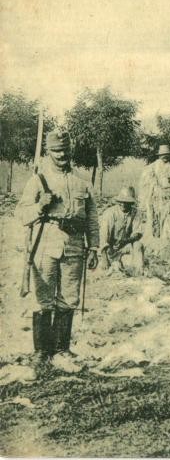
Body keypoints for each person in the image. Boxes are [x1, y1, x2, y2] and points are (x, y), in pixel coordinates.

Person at [15, 130, 99, 373]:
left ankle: (62, 349)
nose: (62, 155)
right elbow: (21, 214)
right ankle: (42, 351)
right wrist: (40, 206)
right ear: (48, 152)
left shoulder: (82, 181)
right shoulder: (38, 180)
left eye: (65, 150)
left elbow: (92, 218)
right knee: (43, 299)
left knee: (69, 298)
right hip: (45, 244)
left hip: (74, 245)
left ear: (71, 151)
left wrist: (94, 246)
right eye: (56, 151)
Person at [99, 186, 144, 275]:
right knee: (108, 268)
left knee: (138, 245)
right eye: (121, 202)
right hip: (110, 248)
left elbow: (137, 233)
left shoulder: (135, 213)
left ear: (131, 203)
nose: (123, 204)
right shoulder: (110, 213)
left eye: (126, 202)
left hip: (124, 247)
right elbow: (103, 237)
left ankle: (138, 272)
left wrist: (125, 241)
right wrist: (104, 257)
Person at [147, 145, 170, 238]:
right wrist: (157, 190)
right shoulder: (153, 167)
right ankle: (157, 235)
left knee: (168, 215)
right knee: (156, 215)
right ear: (159, 155)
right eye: (162, 154)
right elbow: (151, 181)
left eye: (166, 154)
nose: (164, 156)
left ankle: (167, 235)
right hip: (157, 195)